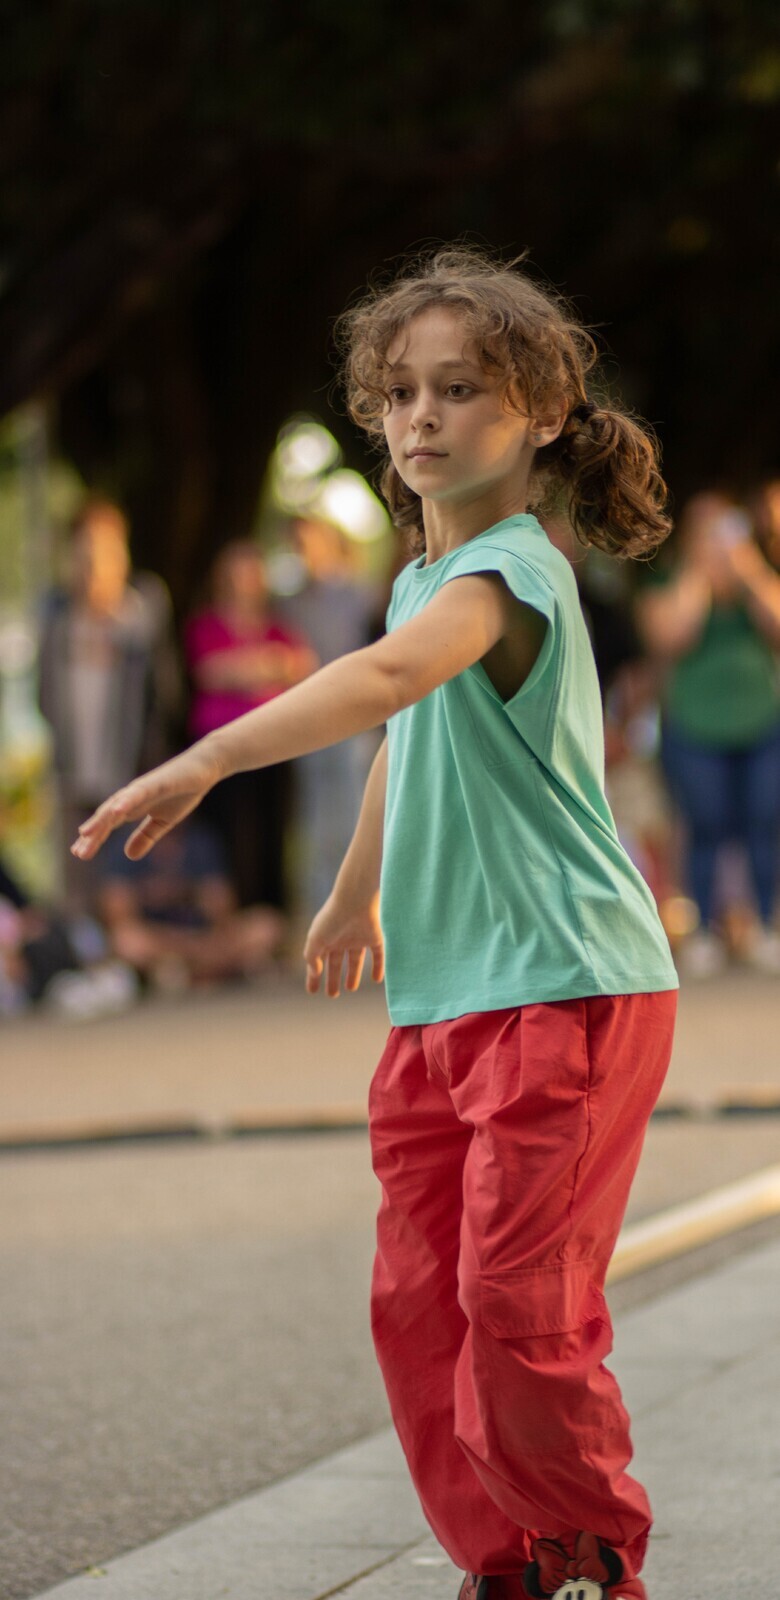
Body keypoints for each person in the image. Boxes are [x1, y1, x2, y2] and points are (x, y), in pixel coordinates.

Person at [72, 247, 678, 1600]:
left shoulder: (512, 573)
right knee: (420, 1306)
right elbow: (410, 736)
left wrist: (210, 755)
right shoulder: (419, 579)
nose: (420, 417)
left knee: (520, 1304)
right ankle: (508, 1563)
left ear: (542, 414)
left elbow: (396, 677)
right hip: (445, 998)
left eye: (459, 389)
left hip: (566, 985)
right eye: (400, 392)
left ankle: (587, 1559)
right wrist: (356, 891)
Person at [636, 491, 780, 976]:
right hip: (695, 724)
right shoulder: (670, 582)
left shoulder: (755, 579)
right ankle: (700, 929)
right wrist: (699, 574)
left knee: (764, 821)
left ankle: (764, 925)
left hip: (762, 720)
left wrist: (748, 568)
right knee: (704, 824)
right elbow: (671, 635)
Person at [39, 498, 180, 911]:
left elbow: (166, 694)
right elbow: (44, 693)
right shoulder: (57, 616)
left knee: (127, 880)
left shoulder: (142, 611)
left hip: (133, 771)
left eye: (106, 550)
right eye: (85, 552)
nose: (95, 565)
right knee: (77, 878)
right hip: (73, 772)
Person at [184, 540, 316, 912]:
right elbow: (210, 673)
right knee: (228, 837)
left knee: (273, 834)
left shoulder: (278, 626)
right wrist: (269, 665)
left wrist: (245, 667)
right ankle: (232, 920)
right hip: (222, 750)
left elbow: (304, 666)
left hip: (273, 748)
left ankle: (269, 920)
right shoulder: (206, 625)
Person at [282, 516, 381, 912]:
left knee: (358, 820)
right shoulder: (290, 603)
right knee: (317, 824)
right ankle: (324, 911)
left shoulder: (361, 595)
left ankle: (363, 909)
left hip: (356, 722)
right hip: (310, 725)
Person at [95, 817, 285, 989]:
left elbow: (223, 908)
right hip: (159, 940)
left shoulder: (200, 840)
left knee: (266, 925)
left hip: (204, 938)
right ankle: (214, 970)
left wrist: (188, 894)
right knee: (126, 941)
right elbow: (117, 914)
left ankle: (187, 972)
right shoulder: (125, 844)